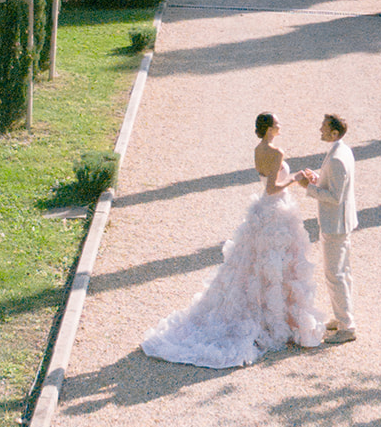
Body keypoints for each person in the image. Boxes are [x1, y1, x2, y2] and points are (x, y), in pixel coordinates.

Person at [140, 113, 326, 368]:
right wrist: (295, 178)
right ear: (271, 128)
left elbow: (265, 183)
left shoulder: (258, 149)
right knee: (277, 263)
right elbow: (273, 187)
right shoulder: (277, 151)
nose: (281, 125)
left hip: (262, 211)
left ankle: (272, 313)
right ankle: (278, 318)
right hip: (276, 210)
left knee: (254, 264)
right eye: (278, 122)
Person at [300, 113, 358, 343]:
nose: (320, 130)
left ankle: (347, 326)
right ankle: (343, 316)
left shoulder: (337, 158)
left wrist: (308, 187)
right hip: (340, 222)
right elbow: (333, 180)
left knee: (335, 275)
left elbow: (335, 197)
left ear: (335, 133)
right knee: (343, 272)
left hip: (335, 225)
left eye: (323, 127)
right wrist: (317, 177)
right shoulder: (342, 150)